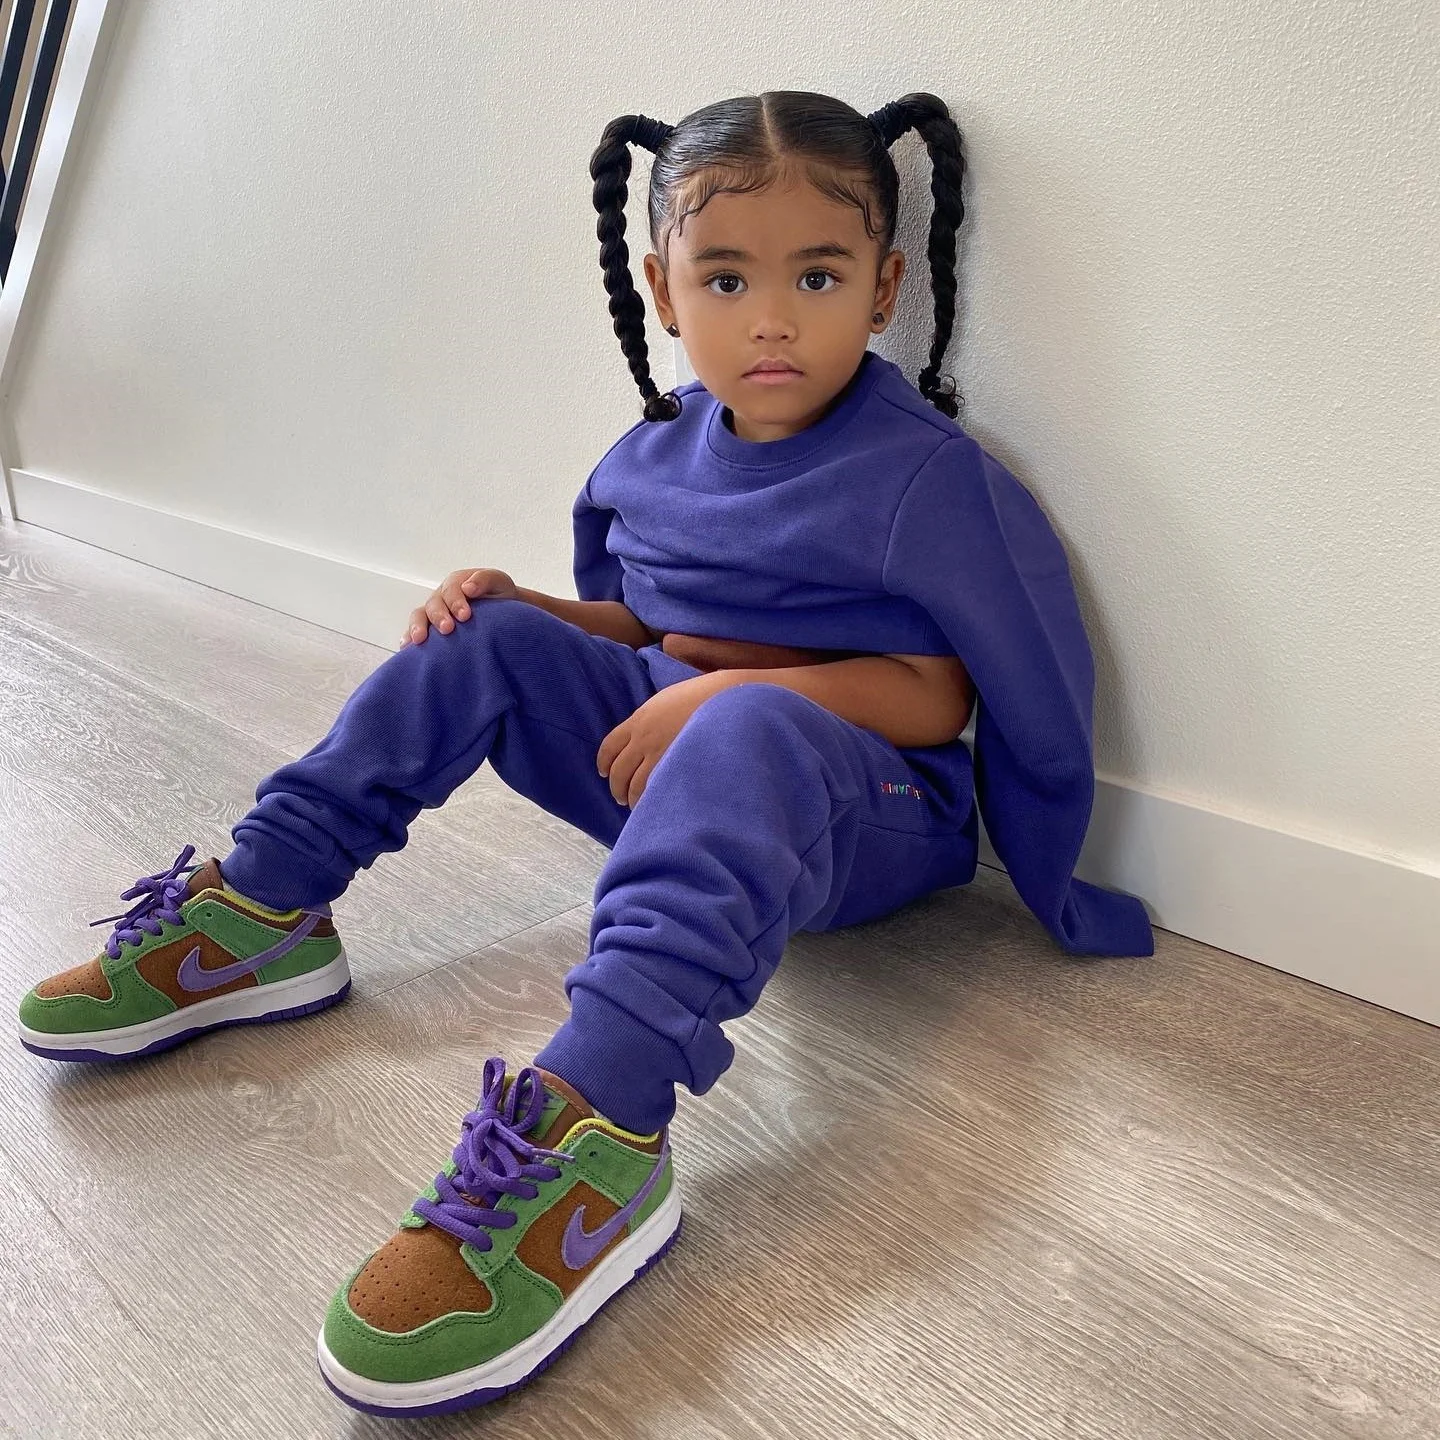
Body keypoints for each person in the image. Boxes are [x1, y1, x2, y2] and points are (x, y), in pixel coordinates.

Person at [15, 90, 1153, 1418]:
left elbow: (934, 697)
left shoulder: (923, 476)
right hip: (691, 768)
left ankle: (602, 1119)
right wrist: (531, 611)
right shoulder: (657, 451)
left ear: (883, 288)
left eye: (817, 277)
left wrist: (721, 697)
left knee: (747, 721)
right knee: (484, 637)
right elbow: (648, 627)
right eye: (725, 279)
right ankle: (265, 908)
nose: (771, 319)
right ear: (665, 291)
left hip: (868, 808)